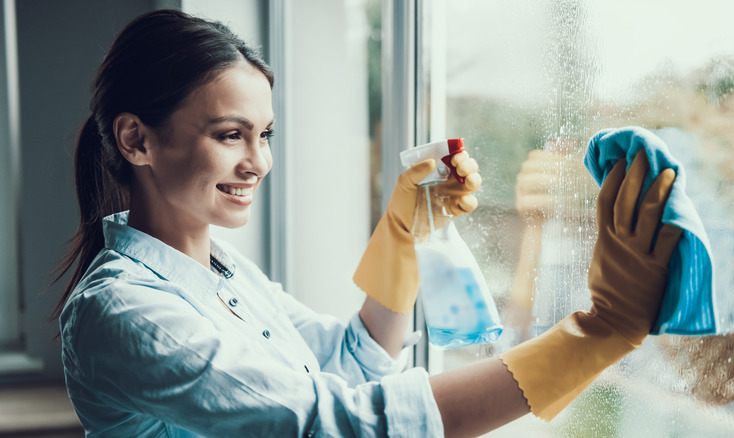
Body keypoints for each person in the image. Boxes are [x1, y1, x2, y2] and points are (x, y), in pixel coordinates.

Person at [55, 9, 682, 438]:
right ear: (137, 139)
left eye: (266, 134)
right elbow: (333, 424)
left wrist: (403, 232)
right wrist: (595, 335)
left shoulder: (221, 271)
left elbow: (350, 360)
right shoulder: (121, 312)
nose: (259, 162)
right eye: (230, 135)